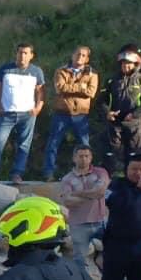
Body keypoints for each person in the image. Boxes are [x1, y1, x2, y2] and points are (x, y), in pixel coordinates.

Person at [0, 42, 46, 185]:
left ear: (31, 56)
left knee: (24, 145)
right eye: (20, 52)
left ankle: (17, 174)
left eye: (25, 53)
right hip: (7, 114)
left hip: (27, 114)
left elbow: (40, 91)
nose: (22, 56)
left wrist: (38, 107)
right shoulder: (5, 69)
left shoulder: (36, 72)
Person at [42, 46, 99, 181]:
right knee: (53, 143)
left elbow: (91, 92)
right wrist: (81, 87)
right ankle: (48, 173)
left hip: (81, 115)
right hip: (62, 113)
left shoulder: (93, 74)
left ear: (87, 58)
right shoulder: (61, 71)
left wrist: (72, 88)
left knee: (84, 145)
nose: (80, 57)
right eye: (78, 54)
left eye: (84, 55)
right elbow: (60, 88)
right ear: (72, 55)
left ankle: (88, 174)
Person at [57, 145, 109, 268]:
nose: (84, 159)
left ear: (91, 158)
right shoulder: (67, 179)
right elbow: (68, 201)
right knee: (79, 261)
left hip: (100, 222)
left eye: (87, 156)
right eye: (80, 156)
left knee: (112, 254)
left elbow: (100, 192)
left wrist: (77, 193)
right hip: (78, 225)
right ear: (74, 158)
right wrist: (92, 194)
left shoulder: (100, 172)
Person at [103, 48, 141, 166]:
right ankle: (110, 178)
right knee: (112, 152)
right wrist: (107, 112)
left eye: (128, 63)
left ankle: (131, 178)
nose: (125, 65)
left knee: (133, 153)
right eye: (123, 63)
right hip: (114, 122)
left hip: (134, 123)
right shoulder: (111, 80)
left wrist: (134, 114)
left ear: (136, 64)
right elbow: (102, 100)